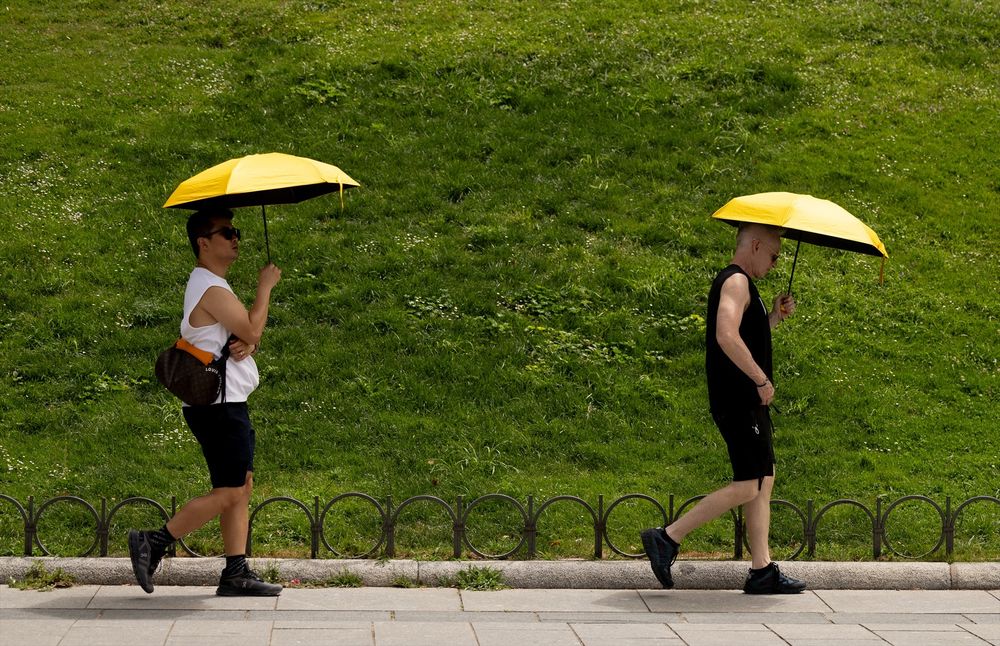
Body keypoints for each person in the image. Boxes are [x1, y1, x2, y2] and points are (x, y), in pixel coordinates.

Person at [642, 222, 807, 594]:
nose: (776, 262)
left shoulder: (748, 286)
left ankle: (762, 570)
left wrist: (774, 319)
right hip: (738, 398)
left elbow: (744, 334)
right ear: (754, 246)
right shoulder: (735, 281)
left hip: (745, 399)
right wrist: (761, 380)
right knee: (750, 484)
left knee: (764, 478)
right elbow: (726, 334)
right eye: (774, 254)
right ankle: (667, 537)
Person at [129, 208, 283, 596]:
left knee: (239, 486)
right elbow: (250, 326)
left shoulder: (212, 286)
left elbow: (243, 334)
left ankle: (235, 573)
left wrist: (249, 339)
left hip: (225, 403)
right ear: (203, 242)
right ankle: (155, 540)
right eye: (226, 232)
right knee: (232, 490)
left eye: (237, 232)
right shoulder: (209, 287)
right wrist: (265, 288)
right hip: (220, 407)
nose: (235, 239)